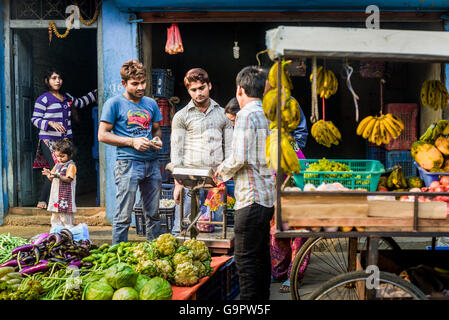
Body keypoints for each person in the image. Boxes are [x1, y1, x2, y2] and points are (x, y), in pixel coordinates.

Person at [216, 66, 275, 300]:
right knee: (260, 257)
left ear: (240, 90)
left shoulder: (245, 114)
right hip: (266, 199)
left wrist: (221, 171)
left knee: (245, 261)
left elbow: (239, 157)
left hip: (250, 199)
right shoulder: (268, 113)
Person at [98, 59, 163, 244]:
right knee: (123, 215)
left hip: (152, 162)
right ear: (124, 83)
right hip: (128, 164)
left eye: (143, 82)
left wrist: (157, 139)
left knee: (154, 213)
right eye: (135, 84)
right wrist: (132, 141)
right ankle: (118, 256)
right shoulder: (114, 103)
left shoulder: (151, 103)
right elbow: (102, 135)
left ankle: (154, 251)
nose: (141, 87)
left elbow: (157, 129)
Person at [168, 68, 233, 236]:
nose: (198, 93)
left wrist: (225, 175)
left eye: (202, 88)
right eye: (193, 90)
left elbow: (230, 148)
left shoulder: (222, 114)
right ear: (188, 90)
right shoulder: (181, 117)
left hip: (215, 182)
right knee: (182, 229)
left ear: (209, 86)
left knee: (215, 229)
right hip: (189, 182)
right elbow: (176, 152)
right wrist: (178, 184)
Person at [262, 73, 310, 293]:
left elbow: (301, 131)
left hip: (291, 164)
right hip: (266, 168)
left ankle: (295, 271)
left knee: (296, 218)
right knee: (274, 221)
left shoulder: (290, 104)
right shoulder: (255, 108)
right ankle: (279, 270)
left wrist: (289, 147)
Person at [31, 68, 97, 209]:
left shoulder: (66, 97)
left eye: (59, 78)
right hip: (48, 139)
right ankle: (44, 200)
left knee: (58, 168)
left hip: (64, 141)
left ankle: (53, 201)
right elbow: (35, 119)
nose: (57, 81)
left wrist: (95, 94)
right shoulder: (44, 99)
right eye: (54, 78)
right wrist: (50, 123)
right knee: (58, 167)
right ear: (47, 81)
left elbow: (80, 103)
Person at [42, 139, 77, 228]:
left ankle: (68, 231)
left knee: (65, 216)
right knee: (55, 215)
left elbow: (69, 179)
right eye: (57, 156)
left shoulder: (71, 165)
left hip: (66, 196)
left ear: (70, 155)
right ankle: (56, 232)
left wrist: (57, 175)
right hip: (56, 195)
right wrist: (48, 174)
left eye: (62, 156)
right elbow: (52, 177)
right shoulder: (57, 164)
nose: (59, 158)